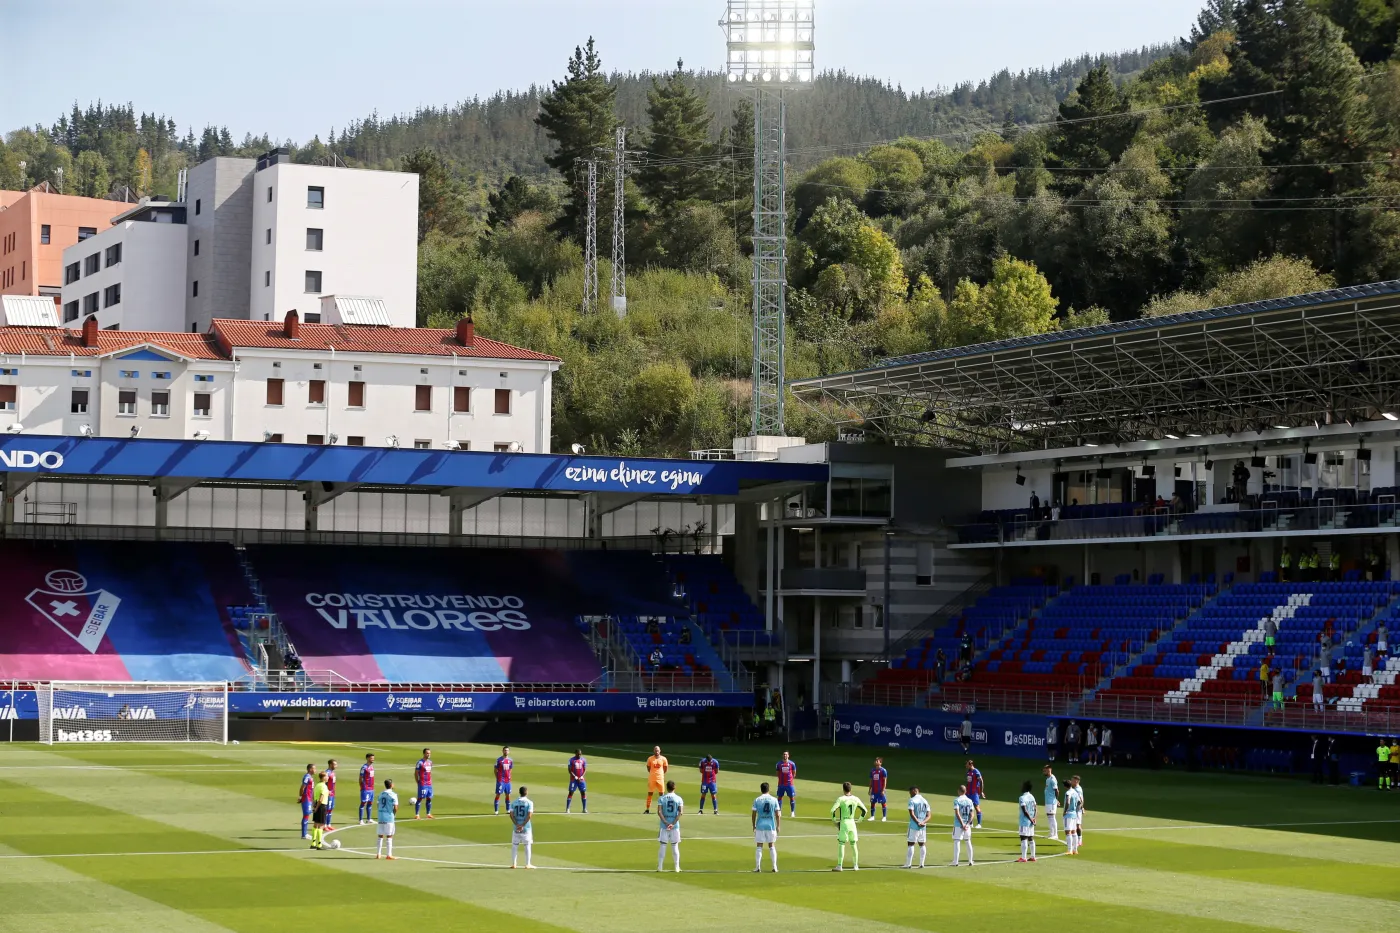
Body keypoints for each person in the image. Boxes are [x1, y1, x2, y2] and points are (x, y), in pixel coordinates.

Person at [830, 781, 867, 871]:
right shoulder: (856, 799)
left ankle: (839, 865)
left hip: (844, 823)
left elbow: (832, 811)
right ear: (851, 789)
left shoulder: (841, 799)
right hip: (852, 822)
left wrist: (835, 821)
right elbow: (865, 811)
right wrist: (859, 820)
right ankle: (856, 866)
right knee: (853, 844)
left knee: (841, 844)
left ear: (843, 789)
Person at [751, 781, 781, 872]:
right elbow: (778, 814)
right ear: (769, 789)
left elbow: (753, 814)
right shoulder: (774, 800)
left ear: (761, 789)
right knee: (771, 845)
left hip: (760, 825)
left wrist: (754, 825)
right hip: (771, 825)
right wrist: (778, 825)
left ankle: (758, 867)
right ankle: (774, 867)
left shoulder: (757, 800)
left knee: (759, 845)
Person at [656, 780, 684, 872]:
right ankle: (676, 867)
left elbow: (659, 812)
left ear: (666, 788)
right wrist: (673, 823)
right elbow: (680, 812)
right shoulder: (679, 799)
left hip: (664, 826)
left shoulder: (662, 798)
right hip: (675, 827)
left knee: (663, 845)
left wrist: (666, 822)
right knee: (675, 846)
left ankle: (660, 867)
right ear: (674, 787)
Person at [903, 785, 931, 869]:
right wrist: (923, 822)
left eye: (910, 792)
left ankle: (908, 864)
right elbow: (929, 815)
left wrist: (918, 822)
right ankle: (922, 864)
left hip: (914, 826)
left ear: (915, 791)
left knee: (911, 844)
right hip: (923, 826)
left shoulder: (912, 800)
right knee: (922, 844)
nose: (910, 794)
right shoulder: (925, 801)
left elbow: (911, 813)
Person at [509, 786, 536, 869]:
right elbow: (529, 816)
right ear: (526, 792)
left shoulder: (513, 803)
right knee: (527, 845)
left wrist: (517, 824)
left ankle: (514, 864)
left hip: (516, 828)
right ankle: (527, 864)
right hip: (526, 828)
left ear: (519, 792)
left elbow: (511, 815)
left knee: (514, 845)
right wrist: (523, 825)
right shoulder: (529, 803)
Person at [952, 783, 976, 866]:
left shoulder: (957, 800)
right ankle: (970, 861)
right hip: (967, 825)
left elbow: (957, 813)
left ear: (959, 791)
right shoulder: (970, 801)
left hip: (959, 824)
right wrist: (967, 824)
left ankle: (956, 861)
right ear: (965, 791)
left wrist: (962, 824)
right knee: (968, 841)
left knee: (957, 841)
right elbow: (972, 814)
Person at [375, 778, 399, 860]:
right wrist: (393, 814)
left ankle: (378, 854)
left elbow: (378, 805)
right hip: (389, 817)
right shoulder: (393, 795)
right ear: (391, 785)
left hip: (381, 816)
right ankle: (389, 854)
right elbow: (395, 807)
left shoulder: (381, 794)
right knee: (389, 836)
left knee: (380, 835)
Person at [1016, 780, 1038, 862]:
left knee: (1023, 838)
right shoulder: (1032, 797)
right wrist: (1034, 818)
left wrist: (1030, 819)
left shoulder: (1022, 798)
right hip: (1031, 821)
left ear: (1025, 788)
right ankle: (1033, 856)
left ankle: (1023, 857)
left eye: (1022, 786)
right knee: (1031, 838)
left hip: (1024, 821)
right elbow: (1036, 808)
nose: (1021, 787)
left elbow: (1024, 810)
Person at [1063, 775, 1084, 855]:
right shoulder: (1075, 792)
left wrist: (1065, 811)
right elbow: (1080, 802)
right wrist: (1077, 809)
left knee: (1068, 832)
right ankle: (1075, 850)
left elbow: (1068, 802)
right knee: (1074, 832)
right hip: (1074, 814)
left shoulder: (1068, 793)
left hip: (1068, 814)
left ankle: (1069, 850)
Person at [645, 746, 669, 813]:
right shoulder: (650, 759)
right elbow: (648, 768)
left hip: (660, 778)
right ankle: (647, 809)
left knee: (662, 794)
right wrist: (653, 773)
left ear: (660, 751)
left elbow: (665, 768)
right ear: (654, 751)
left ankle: (662, 809)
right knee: (650, 793)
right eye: (655, 750)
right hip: (652, 778)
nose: (656, 751)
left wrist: (661, 774)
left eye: (658, 750)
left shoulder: (663, 759)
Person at [311, 770, 331, 850]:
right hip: (321, 805)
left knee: (316, 824)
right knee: (321, 825)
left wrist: (314, 806)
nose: (328, 777)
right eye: (326, 776)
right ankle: (319, 844)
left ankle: (313, 843)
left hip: (316, 804)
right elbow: (321, 798)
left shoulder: (317, 785)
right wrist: (317, 807)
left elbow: (313, 796)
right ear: (323, 777)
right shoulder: (323, 786)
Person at [775, 750, 798, 816]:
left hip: (789, 784)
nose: (785, 755)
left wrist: (790, 779)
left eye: (786, 754)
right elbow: (777, 773)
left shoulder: (792, 764)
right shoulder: (779, 764)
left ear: (788, 755)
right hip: (781, 784)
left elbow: (794, 773)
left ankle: (792, 812)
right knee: (779, 797)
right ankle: (779, 811)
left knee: (792, 797)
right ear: (782, 755)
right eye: (784, 754)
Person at [414, 748, 434, 819]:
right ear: (424, 754)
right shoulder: (420, 763)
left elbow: (430, 773)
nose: (429, 755)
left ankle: (428, 813)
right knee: (420, 798)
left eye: (429, 753)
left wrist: (430, 780)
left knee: (429, 798)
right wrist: (418, 782)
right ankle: (417, 814)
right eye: (427, 753)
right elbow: (416, 773)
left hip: (429, 784)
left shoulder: (430, 762)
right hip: (422, 784)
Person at [566, 749, 588, 814]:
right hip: (573, 779)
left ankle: (584, 809)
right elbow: (569, 770)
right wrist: (575, 776)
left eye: (580, 754)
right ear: (575, 753)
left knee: (583, 792)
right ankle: (567, 808)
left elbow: (585, 769)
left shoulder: (583, 760)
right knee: (571, 792)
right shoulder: (571, 760)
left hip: (581, 779)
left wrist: (582, 776)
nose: (579, 755)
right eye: (578, 754)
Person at [493, 746, 514, 815]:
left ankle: (508, 809)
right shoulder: (499, 760)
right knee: (498, 794)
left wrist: (509, 776)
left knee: (508, 795)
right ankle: (496, 810)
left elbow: (510, 769)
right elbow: (495, 770)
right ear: (502, 751)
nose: (506, 751)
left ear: (509, 751)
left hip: (507, 781)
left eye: (507, 750)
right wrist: (498, 778)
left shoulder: (510, 760)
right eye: (505, 750)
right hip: (500, 780)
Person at [964, 759, 985, 827]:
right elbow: (968, 783)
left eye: (967, 764)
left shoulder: (976, 772)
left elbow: (981, 781)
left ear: (971, 764)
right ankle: (970, 823)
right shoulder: (968, 772)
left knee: (976, 807)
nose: (966, 765)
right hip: (968, 793)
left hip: (974, 793)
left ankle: (979, 824)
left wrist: (981, 791)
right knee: (969, 807)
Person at [297, 762, 315, 840]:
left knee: (307, 815)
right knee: (306, 815)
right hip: (306, 798)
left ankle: (305, 833)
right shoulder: (307, 777)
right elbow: (302, 787)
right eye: (314, 768)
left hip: (309, 798)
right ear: (310, 769)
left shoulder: (310, 777)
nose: (315, 770)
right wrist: (301, 796)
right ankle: (304, 834)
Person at [867, 756, 889, 821]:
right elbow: (871, 780)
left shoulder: (883, 771)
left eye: (877, 761)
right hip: (874, 790)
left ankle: (884, 817)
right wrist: (869, 789)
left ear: (880, 763)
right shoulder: (872, 770)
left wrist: (883, 790)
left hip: (880, 790)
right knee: (872, 802)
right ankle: (872, 816)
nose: (876, 762)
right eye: (875, 761)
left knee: (883, 802)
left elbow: (885, 781)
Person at [1042, 764, 1060, 842]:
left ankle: (1055, 834)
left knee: (1052, 817)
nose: (1043, 772)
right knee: (1049, 817)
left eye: (1045, 770)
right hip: (1048, 801)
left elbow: (1057, 790)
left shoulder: (1053, 779)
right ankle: (1051, 833)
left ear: (1049, 770)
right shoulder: (1048, 779)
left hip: (1051, 802)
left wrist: (1056, 800)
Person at [357, 753, 377, 825]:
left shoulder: (372, 767)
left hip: (371, 788)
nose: (373, 759)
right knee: (363, 803)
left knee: (370, 803)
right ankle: (361, 820)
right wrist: (362, 786)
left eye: (373, 758)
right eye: (371, 758)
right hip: (365, 788)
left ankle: (369, 819)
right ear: (368, 758)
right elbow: (360, 778)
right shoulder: (364, 767)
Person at [324, 758, 338, 830]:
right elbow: (324, 783)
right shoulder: (327, 773)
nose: (336, 766)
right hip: (328, 794)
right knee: (327, 809)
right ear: (330, 765)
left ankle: (329, 824)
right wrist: (327, 791)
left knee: (330, 809)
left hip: (332, 794)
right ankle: (325, 825)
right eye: (335, 764)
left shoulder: (332, 773)